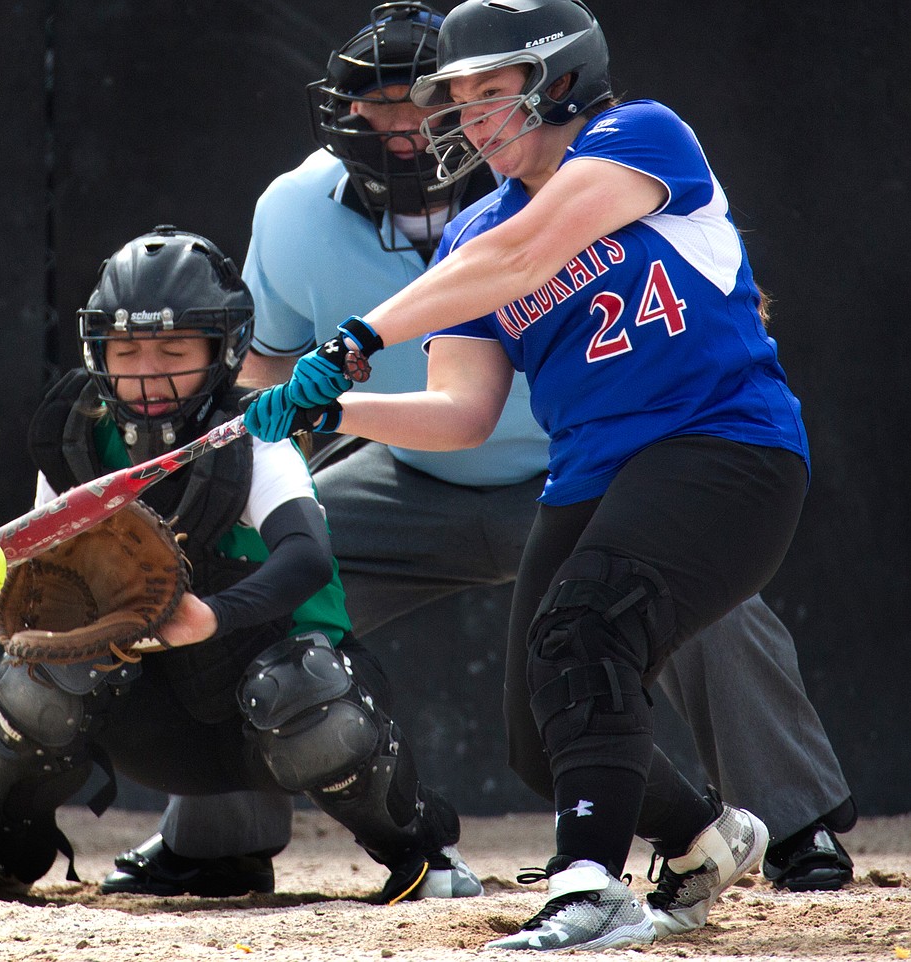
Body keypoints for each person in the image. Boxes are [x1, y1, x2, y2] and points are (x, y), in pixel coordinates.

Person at [102, 0, 854, 906]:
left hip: (702, 447)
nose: (461, 119)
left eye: (491, 93)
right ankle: (700, 836)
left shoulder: (638, 140)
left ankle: (647, 865)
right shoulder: (466, 234)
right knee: (540, 743)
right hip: (573, 477)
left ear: (560, 81)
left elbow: (522, 258)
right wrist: (335, 405)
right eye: (456, 97)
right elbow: (462, 410)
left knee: (606, 621)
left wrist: (352, 342)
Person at [0, 226, 483, 906]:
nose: (147, 370)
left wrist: (214, 616)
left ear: (223, 350)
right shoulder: (73, 440)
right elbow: (42, 575)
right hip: (149, 718)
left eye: (173, 348)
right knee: (42, 668)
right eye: (127, 350)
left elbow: (307, 558)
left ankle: (419, 852)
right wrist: (13, 601)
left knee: (302, 686)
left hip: (263, 712)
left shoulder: (254, 435)